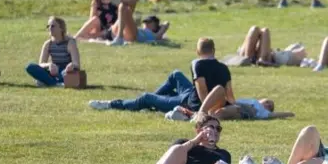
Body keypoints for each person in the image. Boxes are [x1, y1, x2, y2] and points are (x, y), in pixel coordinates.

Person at [90, 38, 233, 114]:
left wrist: (206, 109)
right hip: (191, 95)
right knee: (175, 75)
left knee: (147, 97)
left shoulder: (198, 64)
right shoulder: (224, 68)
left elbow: (203, 94)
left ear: (197, 51)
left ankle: (111, 104)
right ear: (214, 50)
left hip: (190, 103)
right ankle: (149, 104)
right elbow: (231, 97)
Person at [168, 85, 295, 121]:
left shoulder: (263, 113)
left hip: (241, 112)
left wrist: (290, 114)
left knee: (232, 111)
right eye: (268, 102)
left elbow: (276, 115)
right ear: (261, 99)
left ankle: (191, 116)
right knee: (219, 91)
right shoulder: (253, 101)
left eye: (270, 107)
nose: (268, 106)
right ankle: (194, 115)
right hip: (230, 105)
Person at [25, 17, 81, 87]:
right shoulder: (48, 44)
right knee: (30, 67)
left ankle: (49, 82)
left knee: (65, 73)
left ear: (61, 28)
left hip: (65, 72)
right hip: (53, 71)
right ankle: (56, 84)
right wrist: (49, 65)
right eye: (48, 26)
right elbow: (41, 64)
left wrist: (71, 66)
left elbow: (77, 64)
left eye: (53, 26)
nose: (50, 28)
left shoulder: (70, 43)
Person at [105, 0, 170, 46]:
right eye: (145, 21)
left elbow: (166, 24)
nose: (146, 23)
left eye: (149, 22)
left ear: (155, 26)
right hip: (122, 32)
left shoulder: (154, 35)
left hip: (134, 36)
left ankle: (119, 38)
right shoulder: (141, 29)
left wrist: (162, 27)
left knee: (124, 7)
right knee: (125, 8)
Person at [237, 26, 307, 66]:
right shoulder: (290, 54)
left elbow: (302, 52)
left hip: (248, 54)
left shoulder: (289, 55)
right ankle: (256, 59)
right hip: (262, 57)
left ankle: (248, 59)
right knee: (261, 30)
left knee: (258, 29)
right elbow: (302, 53)